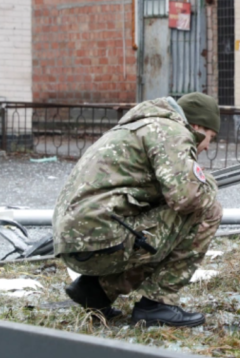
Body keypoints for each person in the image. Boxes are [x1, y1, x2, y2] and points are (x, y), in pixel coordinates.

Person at [52, 93, 223, 327]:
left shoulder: (140, 126)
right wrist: (208, 184)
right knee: (207, 209)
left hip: (75, 242)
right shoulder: (172, 131)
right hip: (100, 239)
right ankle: (157, 303)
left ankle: (97, 290)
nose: (206, 147)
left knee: (164, 221)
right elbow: (186, 198)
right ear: (197, 126)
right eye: (210, 137)